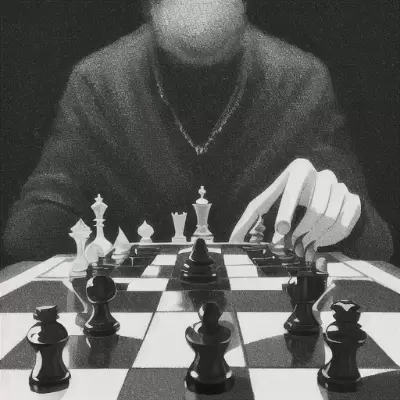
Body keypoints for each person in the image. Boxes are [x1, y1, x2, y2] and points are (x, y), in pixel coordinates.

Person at [3, 0, 394, 263]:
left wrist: (349, 218)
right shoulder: (98, 83)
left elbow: (378, 246)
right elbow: (26, 236)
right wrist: (78, 238)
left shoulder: (303, 80)